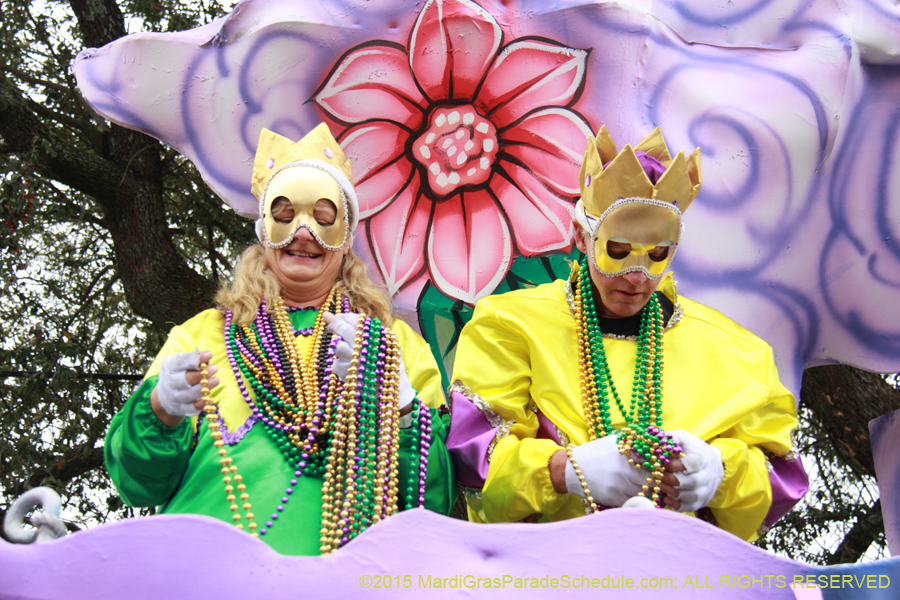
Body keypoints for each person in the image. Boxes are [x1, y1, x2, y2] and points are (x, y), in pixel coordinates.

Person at [105, 124, 455, 556]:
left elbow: (432, 501)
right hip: (206, 577)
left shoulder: (394, 343)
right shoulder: (203, 334)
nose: (304, 232)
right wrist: (161, 410)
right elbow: (136, 485)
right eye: (285, 214)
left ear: (345, 240)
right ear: (264, 230)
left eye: (324, 218)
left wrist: (396, 401)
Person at [447, 126, 806, 541]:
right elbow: (474, 467)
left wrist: (719, 472)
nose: (636, 277)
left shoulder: (739, 354)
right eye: (617, 250)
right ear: (583, 236)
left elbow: (779, 482)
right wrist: (565, 471)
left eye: (656, 256)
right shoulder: (510, 325)